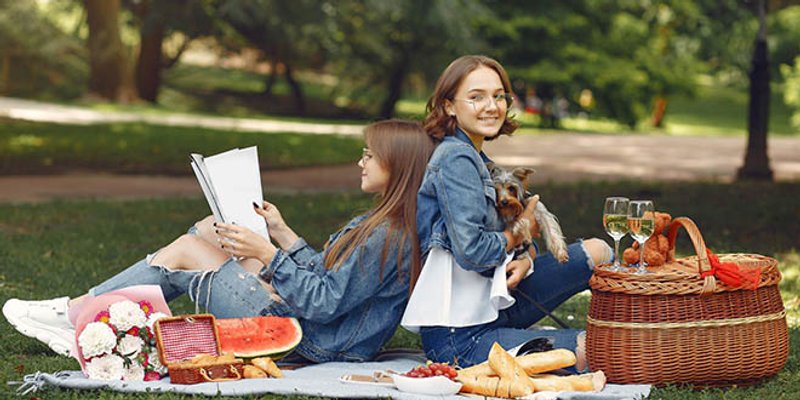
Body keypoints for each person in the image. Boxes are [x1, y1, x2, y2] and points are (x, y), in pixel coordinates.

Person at [3, 119, 436, 364]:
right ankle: (90, 312)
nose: (360, 161)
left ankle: (79, 313)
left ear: (396, 165)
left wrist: (267, 254)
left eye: (369, 154)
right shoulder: (383, 221)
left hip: (315, 339)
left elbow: (324, 302)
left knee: (189, 251)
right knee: (211, 227)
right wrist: (282, 233)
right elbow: (328, 276)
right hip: (313, 319)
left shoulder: (390, 234)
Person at [403, 55, 612, 368]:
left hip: (496, 299)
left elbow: (520, 226)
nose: (492, 106)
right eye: (476, 97)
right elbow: (472, 252)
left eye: (498, 95)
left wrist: (526, 255)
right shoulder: (456, 159)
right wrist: (517, 234)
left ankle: (625, 326)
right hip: (459, 336)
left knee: (599, 251)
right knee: (596, 349)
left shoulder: (477, 156)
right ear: (448, 105)